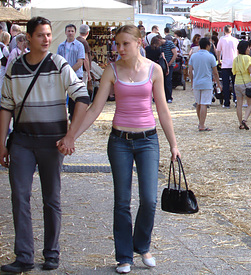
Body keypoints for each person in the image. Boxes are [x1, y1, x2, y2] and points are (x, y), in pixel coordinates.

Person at [57, 25, 180, 274]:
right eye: (117, 44)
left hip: (148, 140)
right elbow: (94, 109)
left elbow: (163, 111)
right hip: (119, 141)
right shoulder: (111, 70)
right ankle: (124, 255)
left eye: (125, 44)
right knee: (122, 201)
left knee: (149, 199)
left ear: (138, 43)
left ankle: (142, 245)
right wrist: (72, 136)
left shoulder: (154, 70)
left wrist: (173, 145)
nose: (119, 48)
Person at [0, 16, 90, 273]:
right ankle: (24, 256)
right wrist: (1, 143)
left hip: (52, 143)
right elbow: (6, 106)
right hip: (22, 141)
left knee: (51, 198)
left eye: (49, 35)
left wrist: (71, 135)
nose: (46, 39)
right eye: (41, 35)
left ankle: (52, 253)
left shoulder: (59, 64)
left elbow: (82, 97)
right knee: (19, 196)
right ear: (29, 37)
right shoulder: (14, 66)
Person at [188, 37, 221, 131]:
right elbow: (215, 72)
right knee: (204, 104)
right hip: (206, 83)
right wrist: (218, 83)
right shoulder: (211, 57)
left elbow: (190, 71)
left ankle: (200, 122)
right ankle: (202, 124)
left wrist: (191, 81)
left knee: (198, 103)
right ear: (207, 45)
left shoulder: (193, 56)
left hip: (196, 83)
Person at [57, 24, 85, 120]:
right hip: (63, 76)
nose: (70, 33)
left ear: (75, 32)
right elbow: (58, 61)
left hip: (75, 75)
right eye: (68, 31)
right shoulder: (61, 46)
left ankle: (74, 118)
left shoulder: (79, 46)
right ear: (65, 32)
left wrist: (69, 72)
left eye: (72, 31)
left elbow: (80, 62)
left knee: (74, 98)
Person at [232, 40, 251, 130]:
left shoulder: (236, 59)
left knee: (239, 104)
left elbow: (234, 71)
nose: (249, 49)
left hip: (237, 82)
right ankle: (245, 119)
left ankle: (240, 123)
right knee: (250, 103)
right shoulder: (247, 58)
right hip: (246, 82)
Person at [217, 25, 239, 108]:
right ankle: (236, 99)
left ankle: (227, 102)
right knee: (235, 83)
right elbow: (238, 51)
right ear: (231, 31)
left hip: (225, 64)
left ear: (224, 31)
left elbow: (218, 51)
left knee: (225, 84)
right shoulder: (235, 40)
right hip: (234, 63)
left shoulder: (222, 40)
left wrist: (219, 60)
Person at [160, 32, 177, 103]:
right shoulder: (160, 46)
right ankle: (162, 97)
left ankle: (169, 97)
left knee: (168, 81)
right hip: (162, 65)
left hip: (169, 65)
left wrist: (170, 63)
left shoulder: (170, 43)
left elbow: (175, 53)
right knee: (162, 81)